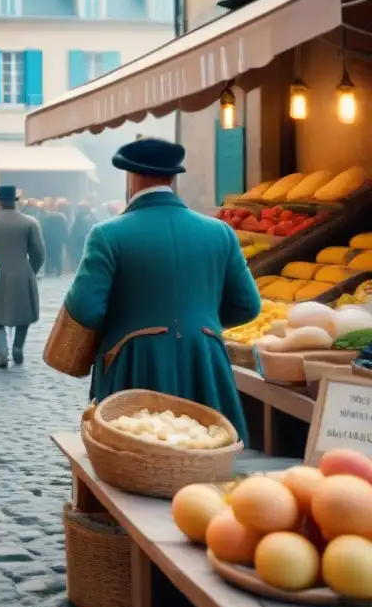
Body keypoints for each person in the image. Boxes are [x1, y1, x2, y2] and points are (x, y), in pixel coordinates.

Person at [58, 138, 261, 443]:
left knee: (136, 452)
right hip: (204, 359)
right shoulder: (220, 232)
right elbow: (247, 305)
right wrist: (202, 322)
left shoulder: (108, 234)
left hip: (134, 360)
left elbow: (86, 308)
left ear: (132, 176)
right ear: (172, 177)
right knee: (209, 450)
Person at [0, 186, 45, 369]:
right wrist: (32, 270)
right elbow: (38, 252)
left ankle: (2, 353)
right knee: (23, 313)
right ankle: (18, 348)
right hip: (22, 271)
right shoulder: (29, 223)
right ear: (16, 201)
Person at [40, 201, 69, 277]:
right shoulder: (62, 217)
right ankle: (59, 270)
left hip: (49, 238)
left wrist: (43, 236)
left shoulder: (47, 217)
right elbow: (64, 228)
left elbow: (44, 228)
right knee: (58, 254)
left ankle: (48, 270)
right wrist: (66, 238)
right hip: (58, 238)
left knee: (49, 254)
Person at [67, 202, 97, 268]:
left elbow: (74, 231)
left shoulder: (78, 219)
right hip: (87, 238)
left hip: (80, 238)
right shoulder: (91, 218)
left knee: (80, 254)